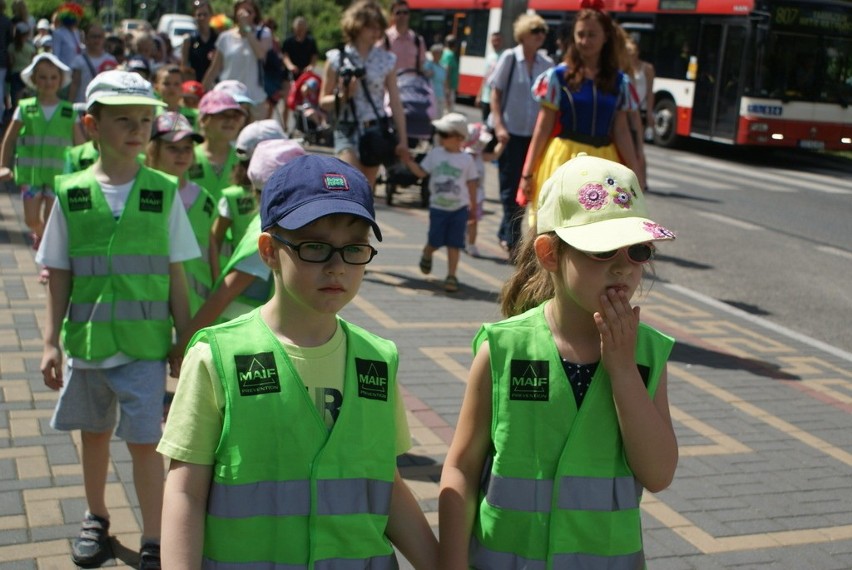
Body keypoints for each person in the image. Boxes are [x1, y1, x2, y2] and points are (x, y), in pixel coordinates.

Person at [158, 154, 439, 568]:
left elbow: (387, 485)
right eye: (314, 247)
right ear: (269, 251)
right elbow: (185, 490)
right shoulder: (217, 357)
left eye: (354, 248)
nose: (337, 266)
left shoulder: (377, 359)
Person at [438, 154, 678, 568]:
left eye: (638, 249)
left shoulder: (648, 353)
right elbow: (461, 467)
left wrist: (622, 371)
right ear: (550, 253)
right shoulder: (502, 348)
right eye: (602, 249)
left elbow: (658, 473)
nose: (624, 267)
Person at [36, 69, 200, 570]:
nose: (136, 128)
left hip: (145, 347)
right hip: (87, 345)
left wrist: (185, 339)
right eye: (123, 118)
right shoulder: (72, 191)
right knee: (94, 435)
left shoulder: (163, 191)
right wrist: (49, 341)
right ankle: (97, 517)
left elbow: (176, 273)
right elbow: (59, 272)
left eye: (145, 120)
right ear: (91, 125)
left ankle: (154, 536)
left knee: (146, 443)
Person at [170, 137, 303, 360]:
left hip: (247, 340)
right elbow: (226, 293)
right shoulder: (274, 232)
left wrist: (182, 344)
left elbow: (223, 294)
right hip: (249, 342)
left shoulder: (264, 225)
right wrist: (185, 344)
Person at [519, 4, 642, 228]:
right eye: (580, 34)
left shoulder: (619, 82)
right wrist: (527, 173)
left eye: (592, 34)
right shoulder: (558, 77)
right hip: (563, 158)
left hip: (604, 161)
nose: (585, 41)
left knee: (598, 229)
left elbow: (621, 130)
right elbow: (542, 127)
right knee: (555, 228)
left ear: (606, 37)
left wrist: (634, 174)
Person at [0, 53, 83, 262]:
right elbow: (8, 140)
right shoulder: (26, 108)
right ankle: (40, 236)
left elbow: (81, 145)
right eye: (43, 77)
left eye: (53, 77)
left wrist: (85, 171)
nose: (48, 82)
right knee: (30, 219)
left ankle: (47, 259)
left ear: (60, 81)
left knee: (51, 220)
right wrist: (3, 165)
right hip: (31, 177)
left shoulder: (68, 111)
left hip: (58, 178)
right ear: (34, 80)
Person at [320, 0, 409, 188]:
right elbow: (323, 101)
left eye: (379, 28)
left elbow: (395, 102)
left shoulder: (386, 60)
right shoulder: (336, 58)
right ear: (357, 26)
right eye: (371, 27)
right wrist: (344, 95)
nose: (376, 33)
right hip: (346, 127)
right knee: (349, 184)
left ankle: (364, 217)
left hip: (374, 130)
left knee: (366, 190)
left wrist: (403, 140)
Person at [489, 13, 553, 258]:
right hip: (511, 132)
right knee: (508, 187)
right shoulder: (510, 58)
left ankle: (507, 232)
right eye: (535, 30)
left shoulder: (545, 63)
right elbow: (495, 94)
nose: (540, 35)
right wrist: (499, 126)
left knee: (526, 188)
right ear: (523, 34)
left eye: (543, 31)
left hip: (534, 135)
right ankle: (514, 239)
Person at [403, 113, 478, 293]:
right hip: (438, 207)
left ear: (460, 137)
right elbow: (421, 173)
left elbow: (472, 183)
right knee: (435, 240)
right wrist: (407, 160)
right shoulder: (435, 154)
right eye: (440, 134)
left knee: (455, 243)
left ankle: (452, 275)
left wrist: (473, 206)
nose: (440, 138)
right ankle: (428, 252)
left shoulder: (467, 160)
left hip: (459, 208)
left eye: (445, 134)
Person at [146, 112, 212, 316]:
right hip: (154, 299)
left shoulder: (205, 198)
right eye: (172, 148)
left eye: (187, 148)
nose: (182, 155)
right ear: (154, 149)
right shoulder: (143, 191)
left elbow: (212, 247)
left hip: (197, 303)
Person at [202, 0, 272, 117]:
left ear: (255, 14)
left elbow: (260, 55)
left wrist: (247, 30)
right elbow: (215, 68)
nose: (245, 16)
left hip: (255, 99)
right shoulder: (225, 37)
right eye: (242, 12)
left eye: (249, 12)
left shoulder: (264, 34)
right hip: (229, 97)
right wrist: (202, 90)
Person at [188, 90, 248, 201]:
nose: (230, 120)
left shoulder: (244, 159)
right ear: (203, 120)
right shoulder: (187, 156)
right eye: (222, 115)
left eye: (236, 116)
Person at [463, 121, 504, 258]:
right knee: (462, 221)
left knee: (473, 221)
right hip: (462, 196)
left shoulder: (480, 156)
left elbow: (494, 156)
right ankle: (462, 239)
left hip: (478, 196)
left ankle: (471, 244)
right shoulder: (463, 156)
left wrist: (502, 144)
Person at [281, 16, 318, 127]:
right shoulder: (288, 41)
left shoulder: (311, 41)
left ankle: (305, 126)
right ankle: (284, 126)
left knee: (307, 101)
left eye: (302, 28)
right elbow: (285, 56)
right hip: (291, 75)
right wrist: (290, 66)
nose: (300, 31)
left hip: (305, 75)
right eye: (298, 28)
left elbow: (314, 56)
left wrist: (311, 66)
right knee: (287, 101)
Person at [68, 22, 118, 103]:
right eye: (93, 37)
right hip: (83, 105)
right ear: (86, 39)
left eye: (100, 37)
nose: (97, 40)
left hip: (104, 104)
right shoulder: (79, 60)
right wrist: (69, 104)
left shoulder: (111, 60)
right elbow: (75, 84)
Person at [383, 0, 426, 72]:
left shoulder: (417, 40)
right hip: (391, 82)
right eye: (398, 13)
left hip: (413, 82)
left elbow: (421, 68)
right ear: (392, 16)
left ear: (409, 15)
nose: (402, 16)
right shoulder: (384, 39)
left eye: (405, 12)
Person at [181, 0, 218, 82]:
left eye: (205, 14)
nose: (202, 18)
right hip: (195, 83)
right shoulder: (189, 39)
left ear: (211, 15)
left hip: (214, 82)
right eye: (199, 15)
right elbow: (184, 66)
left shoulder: (218, 38)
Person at [153, 64, 199, 128]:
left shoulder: (195, 115)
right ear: (156, 87)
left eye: (176, 84)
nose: (172, 88)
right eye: (167, 84)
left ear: (182, 88)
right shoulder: (151, 113)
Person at [475, 31, 503, 122]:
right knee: (485, 122)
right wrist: (479, 95)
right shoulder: (489, 56)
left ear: (501, 41)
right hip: (486, 97)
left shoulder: (505, 56)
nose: (495, 43)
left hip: (497, 98)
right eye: (493, 40)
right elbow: (485, 77)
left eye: (497, 40)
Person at [50, 2, 83, 69]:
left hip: (77, 69)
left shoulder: (76, 32)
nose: (79, 20)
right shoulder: (58, 33)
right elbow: (56, 54)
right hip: (65, 69)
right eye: (77, 17)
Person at [424, 43, 449, 118]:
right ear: (433, 53)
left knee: (440, 116)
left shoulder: (443, 67)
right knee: (432, 117)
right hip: (431, 95)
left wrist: (447, 96)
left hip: (440, 95)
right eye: (438, 53)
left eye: (441, 53)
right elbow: (424, 77)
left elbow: (444, 82)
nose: (440, 55)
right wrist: (428, 73)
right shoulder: (428, 65)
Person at [440, 35, 459, 109]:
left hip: (446, 86)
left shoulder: (444, 52)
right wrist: (447, 89)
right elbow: (447, 72)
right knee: (448, 110)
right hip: (449, 87)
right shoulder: (450, 55)